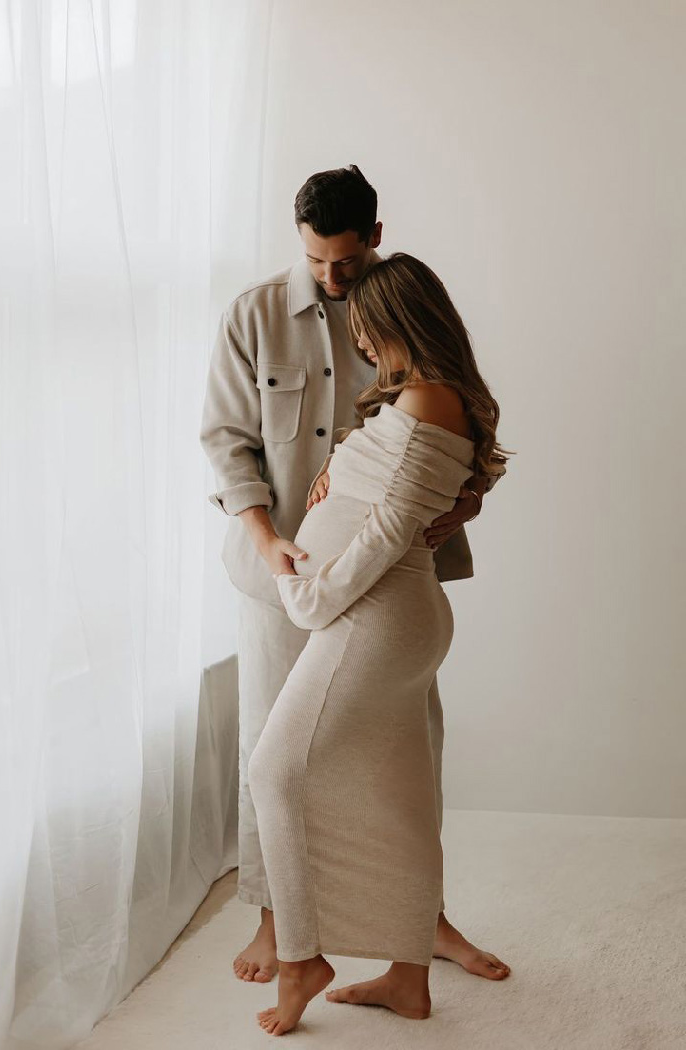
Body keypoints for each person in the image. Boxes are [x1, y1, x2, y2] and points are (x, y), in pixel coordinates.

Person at [199, 166, 509, 990]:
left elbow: (457, 428)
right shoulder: (255, 315)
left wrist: (463, 501)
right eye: (316, 262)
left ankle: (423, 923)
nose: (331, 279)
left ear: (374, 236)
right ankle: (279, 920)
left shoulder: (399, 302)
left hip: (392, 576)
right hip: (285, 575)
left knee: (408, 749)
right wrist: (271, 546)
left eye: (343, 261)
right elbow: (228, 446)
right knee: (275, 745)